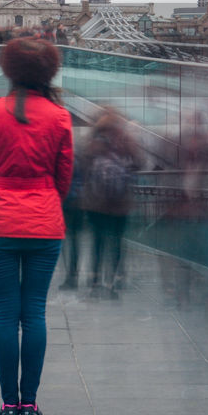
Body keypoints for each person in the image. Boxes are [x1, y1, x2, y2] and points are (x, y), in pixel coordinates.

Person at [0, 36, 73, 415]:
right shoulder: (59, 116)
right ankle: (29, 406)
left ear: (8, 69)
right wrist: (44, 199)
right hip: (44, 223)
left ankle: (7, 405)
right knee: (34, 314)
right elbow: (64, 176)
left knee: (5, 315)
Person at [80, 108, 140, 297]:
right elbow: (139, 162)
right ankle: (112, 283)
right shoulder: (125, 141)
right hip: (120, 203)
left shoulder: (93, 142)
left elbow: (83, 167)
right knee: (116, 243)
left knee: (98, 242)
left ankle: (95, 282)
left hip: (96, 203)